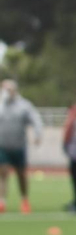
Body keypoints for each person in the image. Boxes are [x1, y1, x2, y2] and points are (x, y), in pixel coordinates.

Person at [0, 79, 44, 214]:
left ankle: (24, 199)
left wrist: (37, 134)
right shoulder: (1, 104)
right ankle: (2, 201)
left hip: (19, 145)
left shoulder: (24, 105)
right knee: (3, 172)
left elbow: (35, 119)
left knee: (21, 175)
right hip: (2, 145)